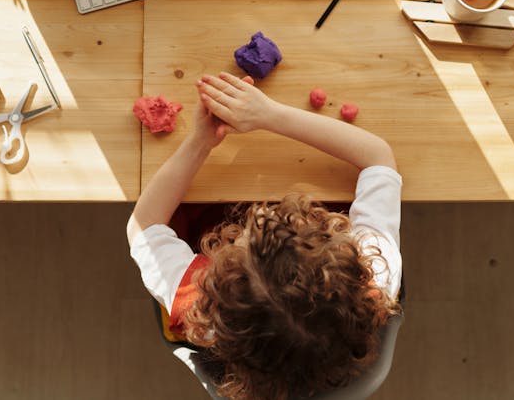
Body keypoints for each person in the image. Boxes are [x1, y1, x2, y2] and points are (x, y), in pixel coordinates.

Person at [127, 71, 402, 400]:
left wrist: (201, 140)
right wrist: (271, 114)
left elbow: (144, 224)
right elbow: (378, 158)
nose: (261, 213)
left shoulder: (199, 303)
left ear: (219, 278)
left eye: (246, 238)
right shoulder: (374, 274)